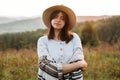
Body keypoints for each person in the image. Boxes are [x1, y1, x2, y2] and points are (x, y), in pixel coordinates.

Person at [37, 5, 87, 80]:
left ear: (66, 23)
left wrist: (78, 63)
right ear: (51, 19)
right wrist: (79, 64)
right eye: (55, 17)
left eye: (62, 18)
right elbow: (46, 66)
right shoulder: (42, 40)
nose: (58, 20)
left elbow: (78, 59)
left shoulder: (74, 38)